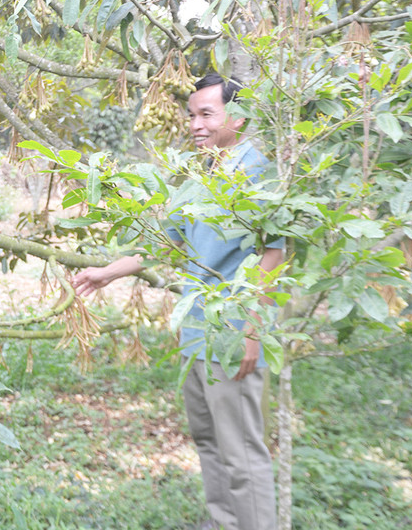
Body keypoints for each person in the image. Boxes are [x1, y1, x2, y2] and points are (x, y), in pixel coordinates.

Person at [72, 73, 283, 530]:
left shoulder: (257, 171)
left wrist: (251, 328)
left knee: (243, 450)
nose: (196, 124)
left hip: (231, 335)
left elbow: (274, 252)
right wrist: (107, 272)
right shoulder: (200, 174)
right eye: (192, 115)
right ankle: (224, 522)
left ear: (238, 117)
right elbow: (165, 243)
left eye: (207, 114)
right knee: (209, 441)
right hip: (197, 335)